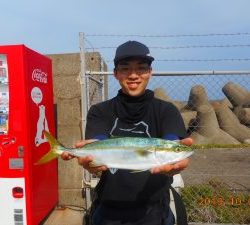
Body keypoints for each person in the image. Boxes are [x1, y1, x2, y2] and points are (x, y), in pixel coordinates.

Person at [63, 40, 193, 225]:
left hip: (155, 209)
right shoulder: (100, 111)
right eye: (125, 69)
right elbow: (99, 139)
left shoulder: (167, 110)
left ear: (150, 72)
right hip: (108, 210)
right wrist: (93, 156)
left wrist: (176, 155)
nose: (133, 75)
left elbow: (170, 139)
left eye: (141, 68)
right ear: (115, 73)